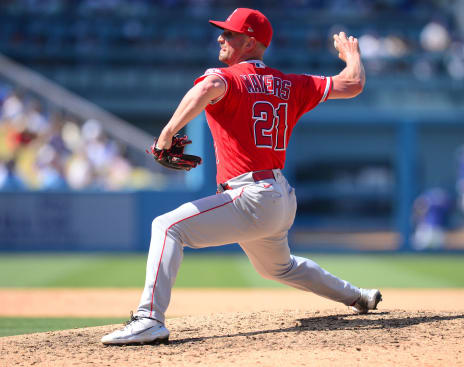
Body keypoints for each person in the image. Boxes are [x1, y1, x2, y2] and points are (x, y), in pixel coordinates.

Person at [101, 8, 382, 345]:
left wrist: (167, 133)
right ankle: (358, 297)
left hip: (251, 195)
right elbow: (353, 83)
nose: (221, 37)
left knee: (166, 227)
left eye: (230, 34)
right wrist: (352, 56)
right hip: (279, 197)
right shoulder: (293, 83)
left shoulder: (228, 77)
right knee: (279, 268)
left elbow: (206, 88)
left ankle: (149, 318)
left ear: (250, 42)